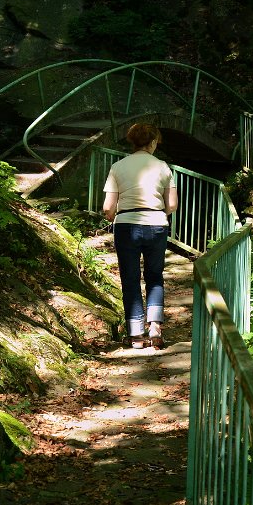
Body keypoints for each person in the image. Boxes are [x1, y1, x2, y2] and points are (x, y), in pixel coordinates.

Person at [102, 123, 178, 349]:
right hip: (156, 224)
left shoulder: (118, 167)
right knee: (154, 276)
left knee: (130, 278)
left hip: (126, 225)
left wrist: (112, 216)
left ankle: (136, 334)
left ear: (132, 142)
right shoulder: (163, 167)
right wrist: (157, 212)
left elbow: (108, 207)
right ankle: (155, 326)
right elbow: (172, 204)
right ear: (152, 142)